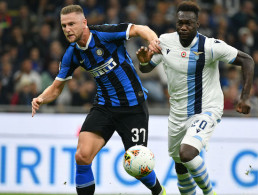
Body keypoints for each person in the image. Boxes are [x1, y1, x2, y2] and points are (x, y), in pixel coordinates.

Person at [31, 5, 165, 195]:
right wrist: (40, 98)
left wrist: (153, 41)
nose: (67, 29)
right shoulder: (72, 53)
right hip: (104, 106)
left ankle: (159, 191)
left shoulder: (105, 34)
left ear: (84, 23)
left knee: (137, 164)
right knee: (82, 156)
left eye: (71, 24)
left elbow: (139, 29)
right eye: (63, 26)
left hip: (133, 107)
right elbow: (56, 87)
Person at [136, 2, 254, 195]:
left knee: (187, 153)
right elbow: (148, 67)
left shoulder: (210, 47)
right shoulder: (165, 42)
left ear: (197, 24)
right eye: (180, 22)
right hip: (177, 113)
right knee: (180, 165)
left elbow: (247, 60)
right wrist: (144, 63)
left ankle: (209, 192)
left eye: (188, 23)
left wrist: (245, 97)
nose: (183, 27)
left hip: (206, 108)